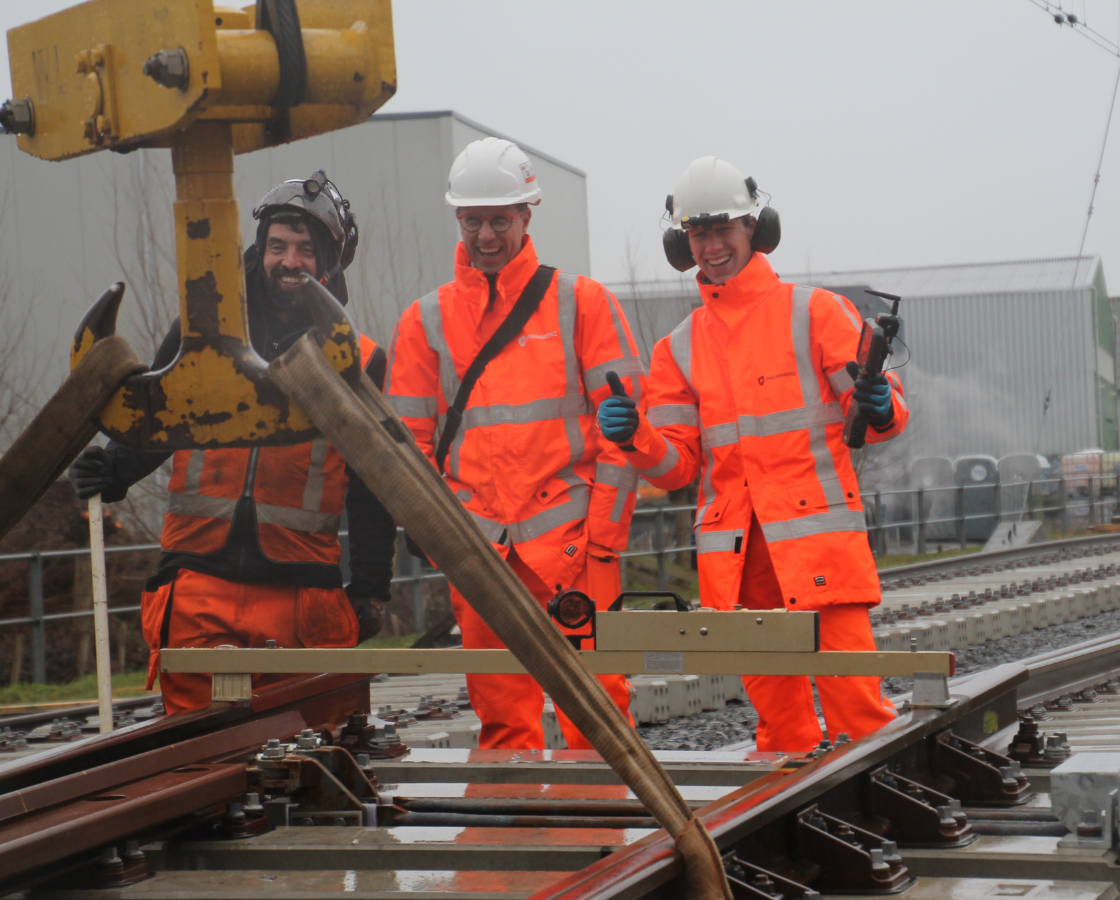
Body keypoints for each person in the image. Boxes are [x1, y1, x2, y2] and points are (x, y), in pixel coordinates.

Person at [596, 156, 908, 752]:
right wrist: (634, 436)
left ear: (755, 232)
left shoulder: (815, 313)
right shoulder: (678, 348)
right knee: (781, 733)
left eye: (724, 231)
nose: (712, 247)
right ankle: (785, 834)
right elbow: (678, 466)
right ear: (682, 244)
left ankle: (873, 817)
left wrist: (879, 403)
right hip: (738, 565)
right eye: (699, 234)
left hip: (819, 552)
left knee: (859, 717)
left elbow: (882, 417)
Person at [68, 172, 396, 714]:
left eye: (306, 250)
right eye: (277, 246)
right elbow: (163, 416)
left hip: (303, 597)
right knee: (199, 761)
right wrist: (115, 470)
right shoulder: (203, 331)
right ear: (258, 249)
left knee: (311, 759)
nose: (290, 261)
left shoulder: (358, 358)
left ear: (330, 262)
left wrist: (370, 589)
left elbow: (373, 486)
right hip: (199, 586)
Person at [386, 138, 644, 750]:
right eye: (473, 221)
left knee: (598, 716)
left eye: (500, 220)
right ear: (457, 220)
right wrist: (445, 543)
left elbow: (627, 437)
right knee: (503, 722)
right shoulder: (424, 321)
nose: (486, 236)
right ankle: (520, 837)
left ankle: (609, 844)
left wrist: (603, 540)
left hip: (576, 550)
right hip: (481, 553)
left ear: (528, 215)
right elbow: (408, 450)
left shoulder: (581, 303)